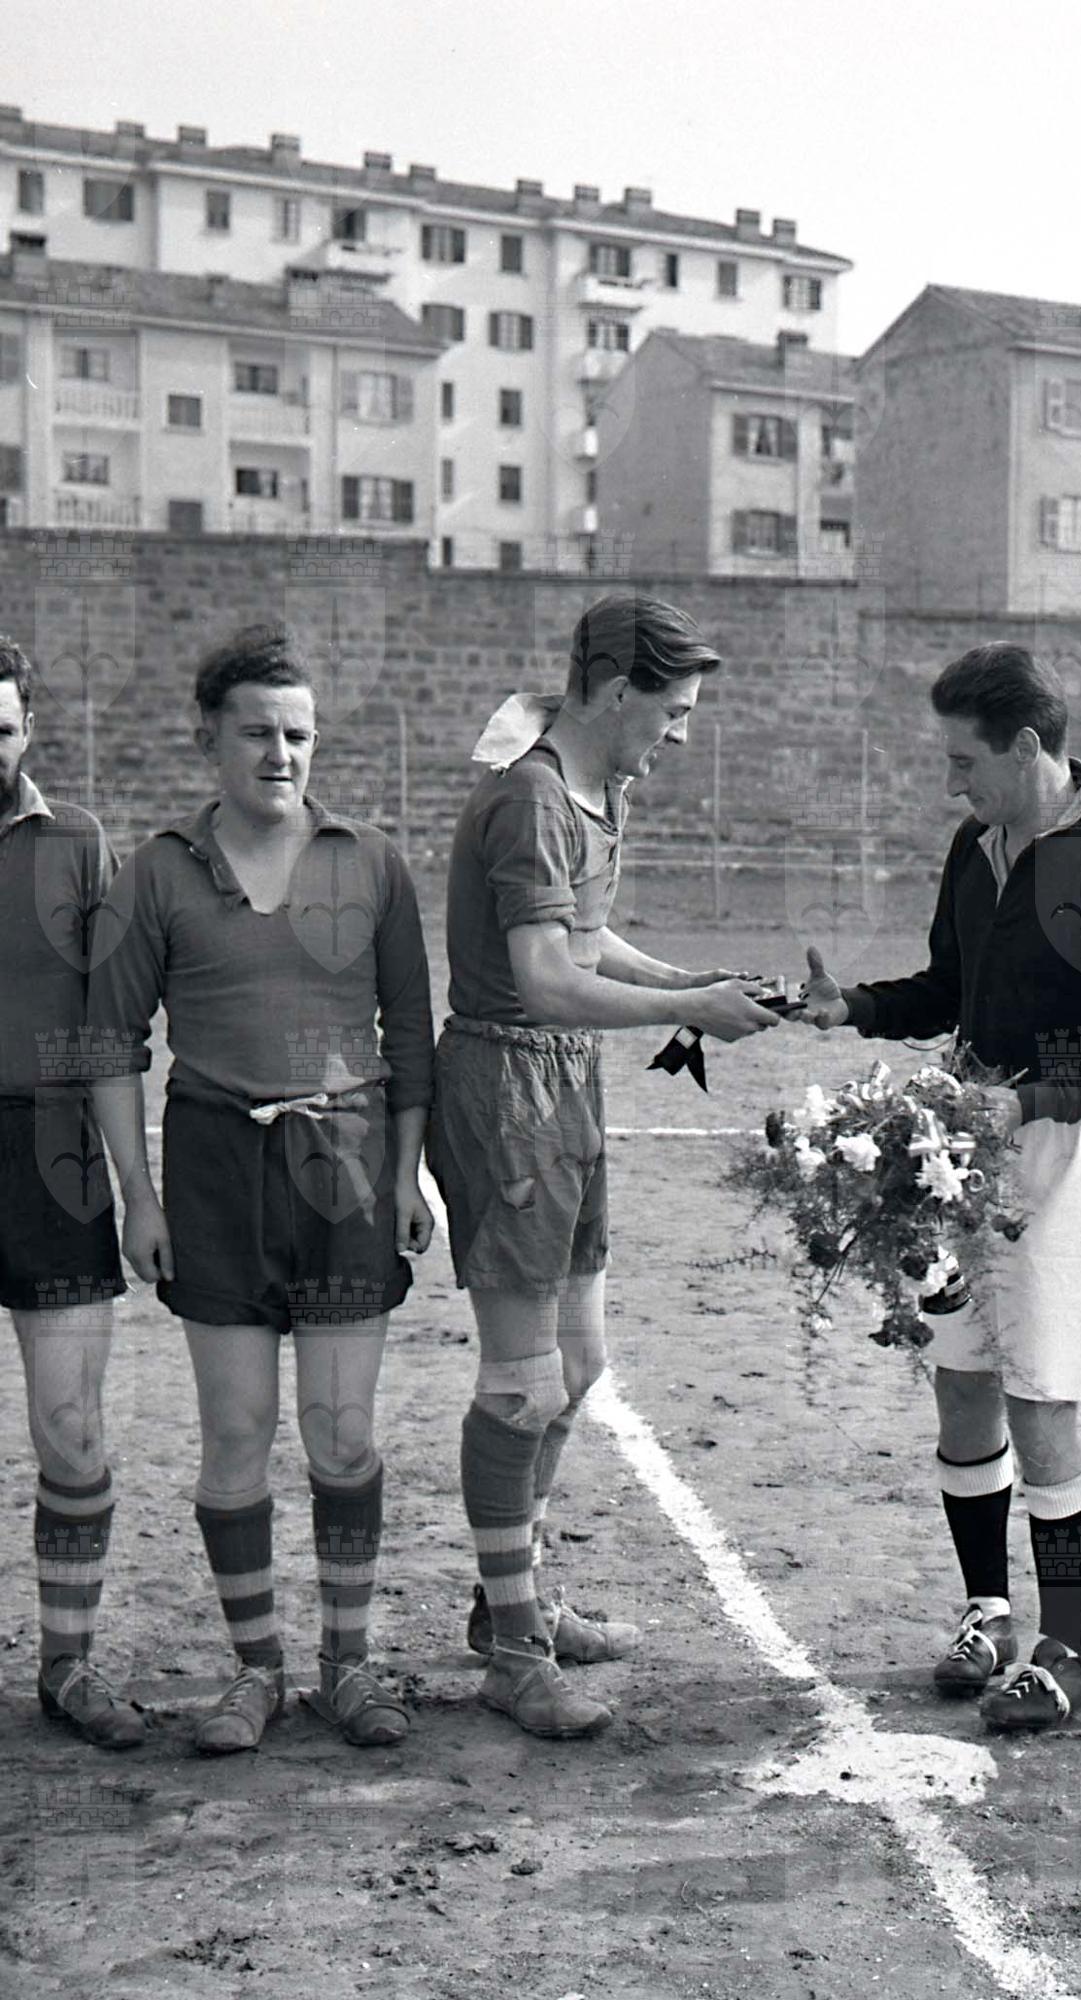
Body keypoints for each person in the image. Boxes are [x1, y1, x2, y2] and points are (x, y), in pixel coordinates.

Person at [800, 643, 1081, 1732]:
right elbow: (947, 987)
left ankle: (1067, 1651)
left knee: (1042, 1400)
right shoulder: (973, 850)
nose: (950, 783)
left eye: (962, 760)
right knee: (963, 1386)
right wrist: (853, 1008)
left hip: (1060, 1156)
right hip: (955, 1150)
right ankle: (988, 1613)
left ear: (1026, 747)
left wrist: (1029, 1102)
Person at [430, 592, 778, 1740]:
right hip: (506, 1088)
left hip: (565, 1083)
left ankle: (514, 1598)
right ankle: (514, 1652)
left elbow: (585, 940)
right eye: (671, 710)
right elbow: (542, 979)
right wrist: (686, 1012)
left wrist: (689, 982)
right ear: (617, 689)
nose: (679, 732)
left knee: (578, 1365)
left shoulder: (595, 789)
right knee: (520, 1383)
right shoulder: (530, 796)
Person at [88, 625, 435, 1755]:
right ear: (209, 740)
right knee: (235, 1432)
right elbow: (110, 1044)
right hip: (214, 1169)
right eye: (257, 733)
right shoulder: (158, 870)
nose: (280, 754)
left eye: (298, 734)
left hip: (344, 1168)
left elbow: (410, 1036)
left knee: (340, 1432)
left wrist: (407, 1171)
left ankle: (346, 1665)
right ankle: (256, 1671)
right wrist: (139, 1197)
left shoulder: (371, 862)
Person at [0, 636, 142, 1749]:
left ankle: (67, 1664)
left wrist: (137, 1191)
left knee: (71, 1428)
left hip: (53, 1155)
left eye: (0, 729)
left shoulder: (79, 843)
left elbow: (110, 1029)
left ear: (28, 729)